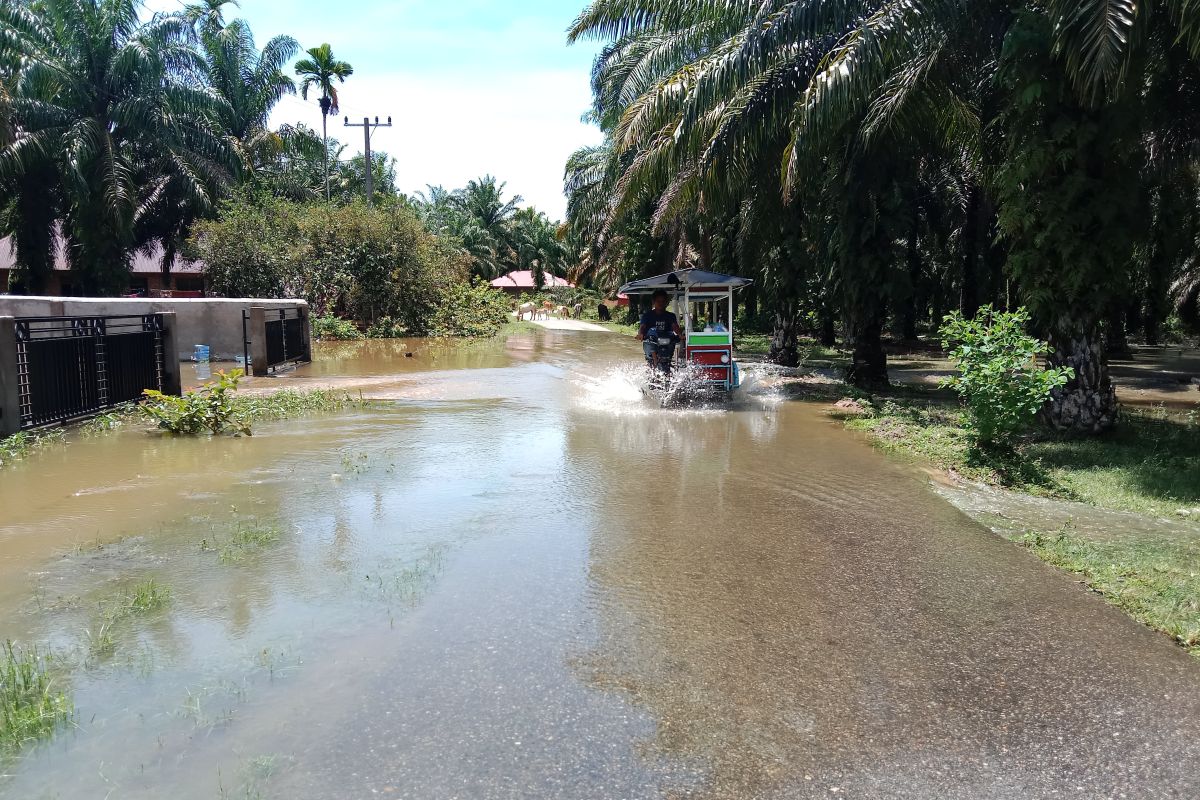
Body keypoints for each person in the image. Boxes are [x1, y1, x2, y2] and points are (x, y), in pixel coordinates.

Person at [637, 289, 682, 368]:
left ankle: (668, 370)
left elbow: (675, 326)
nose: (661, 303)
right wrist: (640, 334)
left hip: (666, 341)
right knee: (652, 331)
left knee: (668, 359)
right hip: (651, 341)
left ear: (666, 302)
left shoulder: (671, 316)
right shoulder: (647, 315)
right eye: (658, 301)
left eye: (663, 301)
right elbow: (642, 327)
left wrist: (680, 335)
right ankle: (654, 361)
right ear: (654, 302)